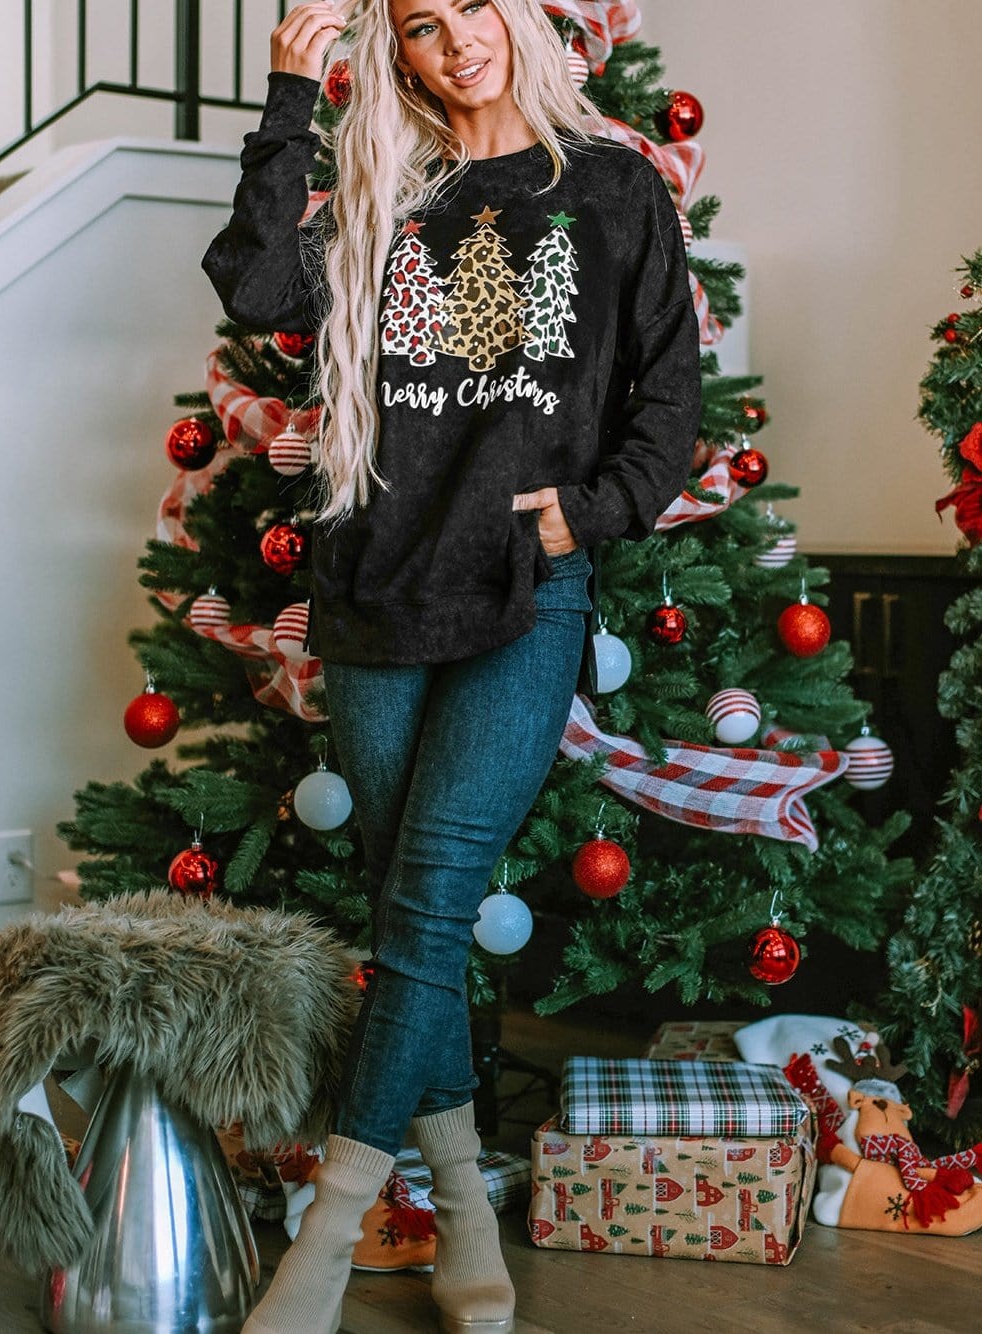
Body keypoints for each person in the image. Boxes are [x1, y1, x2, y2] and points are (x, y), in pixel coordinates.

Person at [202, 1, 701, 1329]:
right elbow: (255, 291)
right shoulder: (386, 183)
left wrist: (577, 515)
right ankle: (468, 1207)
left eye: (471, 7)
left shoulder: (608, 186)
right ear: (401, 50)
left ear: (512, 19)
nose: (453, 41)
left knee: (425, 905)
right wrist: (289, 91)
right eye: (419, 23)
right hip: (372, 594)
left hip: (522, 596)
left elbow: (669, 400)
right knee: (407, 911)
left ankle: (326, 1234)